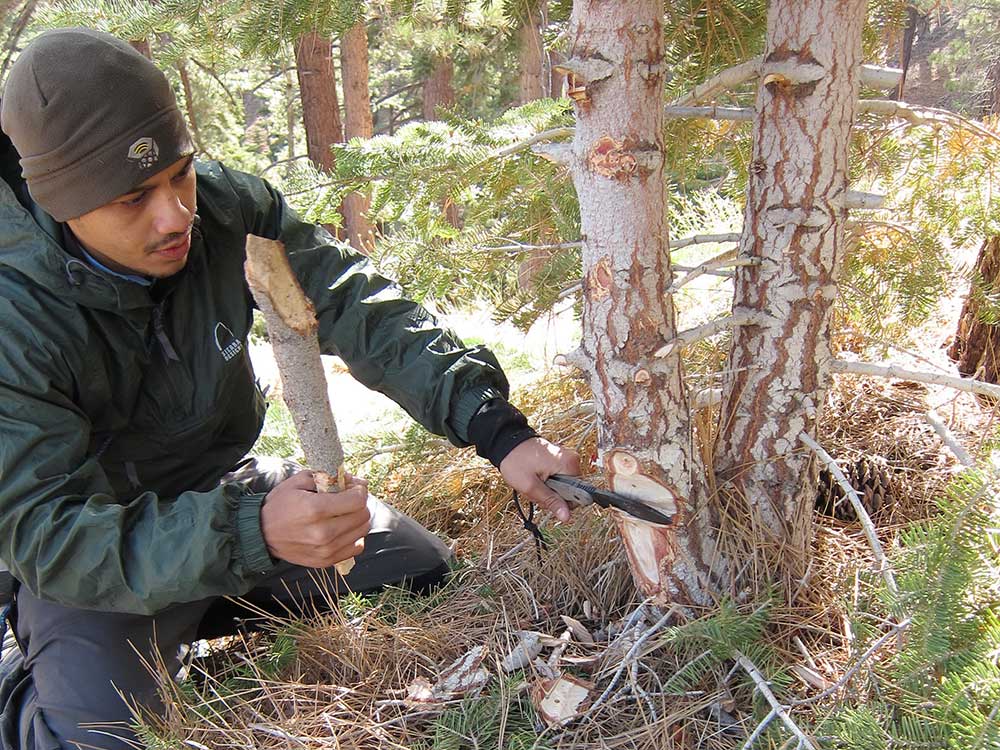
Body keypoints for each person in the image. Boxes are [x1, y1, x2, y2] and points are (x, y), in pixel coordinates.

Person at [0, 27, 579, 750]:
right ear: (60, 202)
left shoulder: (225, 212)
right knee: (96, 740)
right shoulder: (13, 314)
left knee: (417, 569)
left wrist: (499, 429)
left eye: (179, 173)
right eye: (132, 198)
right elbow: (47, 533)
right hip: (105, 551)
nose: (175, 215)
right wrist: (252, 532)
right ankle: (29, 672)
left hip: (225, 496)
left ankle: (189, 622)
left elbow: (355, 306)